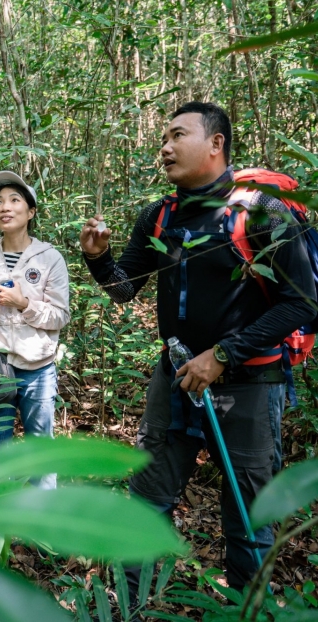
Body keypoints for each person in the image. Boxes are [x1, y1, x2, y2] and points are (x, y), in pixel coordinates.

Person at [79, 102, 316, 593]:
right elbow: (127, 288)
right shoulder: (159, 216)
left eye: (177, 135)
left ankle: (249, 607)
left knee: (249, 521)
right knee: (146, 503)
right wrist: (98, 259)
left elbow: (304, 304)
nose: (164, 147)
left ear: (216, 143)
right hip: (176, 382)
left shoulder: (261, 210)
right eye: (163, 137)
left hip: (249, 386)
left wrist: (223, 354)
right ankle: (129, 604)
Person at [0, 171, 70, 488]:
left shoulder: (50, 259)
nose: (5, 207)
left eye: (15, 200)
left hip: (37, 366)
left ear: (31, 211)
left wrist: (24, 304)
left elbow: (60, 315)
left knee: (40, 450)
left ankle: (41, 524)